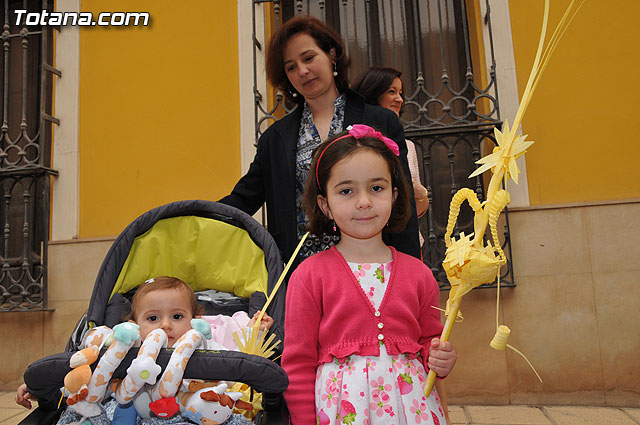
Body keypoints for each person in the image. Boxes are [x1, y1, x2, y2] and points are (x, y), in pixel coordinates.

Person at [281, 125, 457, 425]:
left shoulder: (420, 274)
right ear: (325, 205)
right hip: (340, 413)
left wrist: (441, 359)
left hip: (413, 411)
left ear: (395, 194)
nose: (364, 202)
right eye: (347, 191)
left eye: (376, 188)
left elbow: (431, 341)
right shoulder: (308, 276)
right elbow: (297, 364)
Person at [219, 15, 420, 265]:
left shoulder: (381, 121)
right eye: (291, 67)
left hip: (371, 267)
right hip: (303, 274)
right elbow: (242, 200)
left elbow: (404, 203)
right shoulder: (275, 138)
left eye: (308, 58)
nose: (302, 71)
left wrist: (411, 271)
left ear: (332, 55)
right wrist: (185, 217)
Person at [15, 276, 273, 417]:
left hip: (192, 411)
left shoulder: (200, 342)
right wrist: (45, 387)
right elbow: (87, 373)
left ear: (194, 319)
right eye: (152, 318)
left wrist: (254, 331)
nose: (165, 326)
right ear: (134, 324)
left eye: (177, 316)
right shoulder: (128, 346)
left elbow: (235, 362)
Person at [352, 66, 429, 226]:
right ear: (373, 93)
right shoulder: (353, 142)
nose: (400, 99)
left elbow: (418, 210)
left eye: (400, 93)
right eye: (392, 92)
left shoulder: (408, 146)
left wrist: (421, 193)